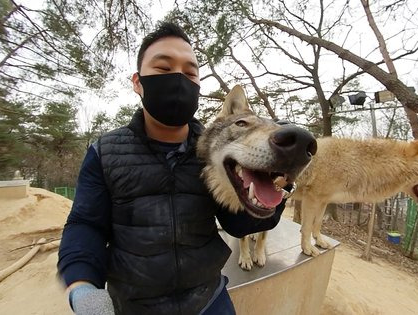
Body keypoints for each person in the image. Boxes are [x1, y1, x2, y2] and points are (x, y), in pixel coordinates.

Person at [57, 21, 287, 315]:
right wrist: (83, 288)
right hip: (132, 307)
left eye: (190, 72)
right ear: (138, 82)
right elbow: (85, 224)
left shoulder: (215, 151)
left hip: (210, 302)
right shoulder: (105, 152)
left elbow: (239, 225)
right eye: (164, 69)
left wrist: (277, 184)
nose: (179, 78)